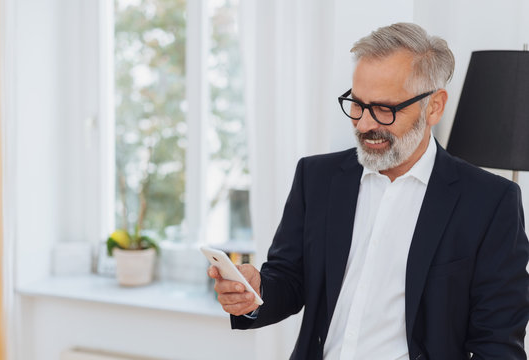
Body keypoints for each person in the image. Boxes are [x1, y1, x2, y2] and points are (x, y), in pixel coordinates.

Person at [207, 22, 529, 359]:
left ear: (434, 106)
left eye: (384, 109)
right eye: (357, 104)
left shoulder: (489, 202)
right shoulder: (316, 178)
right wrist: (254, 292)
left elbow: (498, 341)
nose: (363, 124)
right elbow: (288, 279)